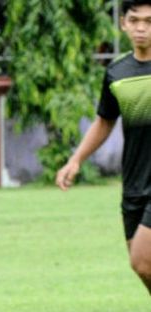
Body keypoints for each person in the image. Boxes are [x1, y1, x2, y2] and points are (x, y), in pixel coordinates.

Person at [56, 0, 151, 295]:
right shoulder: (117, 72)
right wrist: (76, 160)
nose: (141, 28)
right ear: (123, 22)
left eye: (149, 21)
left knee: (142, 260)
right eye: (134, 20)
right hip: (134, 181)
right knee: (141, 266)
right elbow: (104, 122)